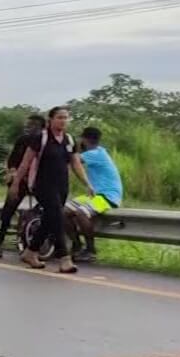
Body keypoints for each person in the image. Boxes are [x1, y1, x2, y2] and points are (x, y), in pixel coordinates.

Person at [15, 106, 94, 274]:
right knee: (57, 216)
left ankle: (30, 252)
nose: (63, 121)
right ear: (50, 119)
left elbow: (75, 163)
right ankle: (64, 258)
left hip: (61, 185)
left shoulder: (69, 140)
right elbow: (25, 162)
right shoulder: (40, 138)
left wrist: (87, 183)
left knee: (50, 218)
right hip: (42, 184)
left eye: (65, 118)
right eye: (59, 117)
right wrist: (16, 184)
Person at [0, 113, 46, 260]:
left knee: (46, 211)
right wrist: (12, 172)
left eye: (33, 125)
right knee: (8, 211)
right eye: (28, 125)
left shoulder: (46, 141)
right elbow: (13, 159)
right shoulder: (22, 140)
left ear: (41, 127)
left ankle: (40, 245)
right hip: (20, 180)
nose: (29, 128)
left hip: (40, 181)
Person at [71, 126, 124, 262]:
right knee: (64, 211)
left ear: (84, 139)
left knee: (81, 213)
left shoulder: (95, 154)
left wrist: (72, 148)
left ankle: (90, 250)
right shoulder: (98, 151)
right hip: (95, 195)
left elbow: (74, 160)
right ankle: (76, 246)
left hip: (107, 196)